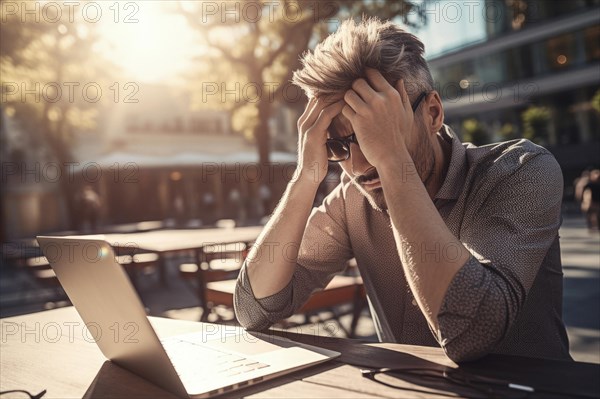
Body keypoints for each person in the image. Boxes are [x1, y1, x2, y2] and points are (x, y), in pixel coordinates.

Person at [234, 18, 571, 362]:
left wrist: (394, 162)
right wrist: (305, 176)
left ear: (433, 112)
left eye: (377, 131)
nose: (361, 164)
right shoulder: (350, 201)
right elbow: (254, 308)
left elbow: (469, 332)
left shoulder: (521, 171)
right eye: (338, 145)